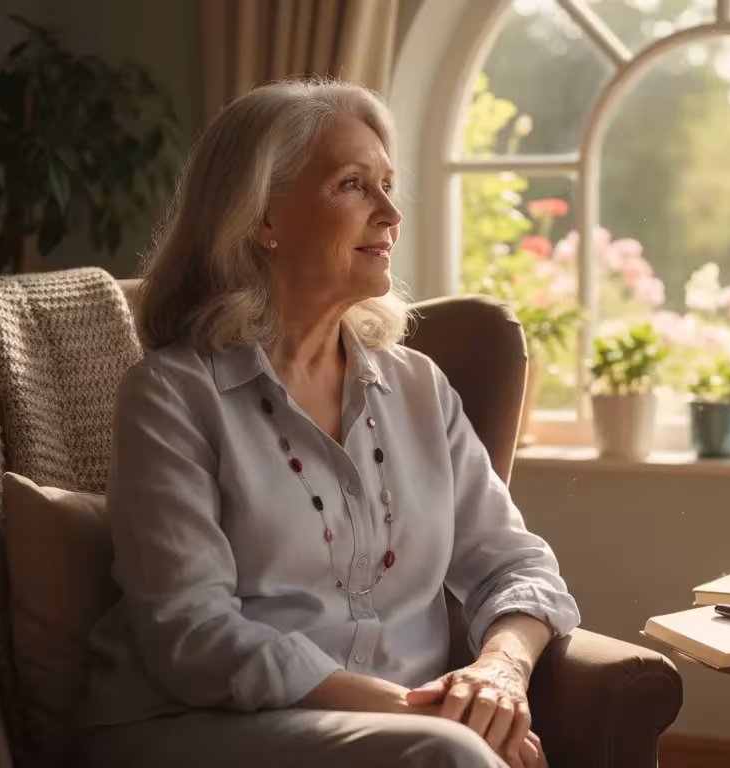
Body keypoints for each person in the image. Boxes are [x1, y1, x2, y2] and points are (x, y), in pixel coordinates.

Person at [76, 77, 580, 768]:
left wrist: (499, 674)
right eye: (352, 185)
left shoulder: (418, 388)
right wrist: (428, 715)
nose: (391, 212)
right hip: (199, 723)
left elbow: (516, 565)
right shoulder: (172, 394)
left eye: (387, 184)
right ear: (264, 219)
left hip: (405, 733)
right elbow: (193, 634)